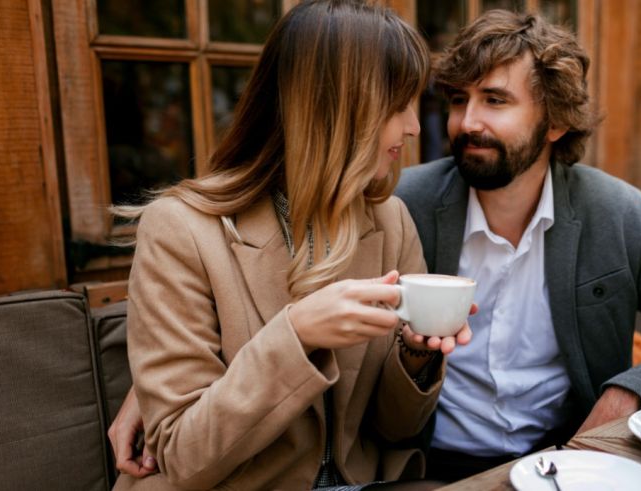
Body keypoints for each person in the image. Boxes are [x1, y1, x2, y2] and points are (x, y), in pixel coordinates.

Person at [392, 10, 641, 481]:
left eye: (494, 100)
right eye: (457, 100)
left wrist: (632, 388)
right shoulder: (402, 204)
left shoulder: (620, 215)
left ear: (554, 122)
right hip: (427, 468)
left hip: (568, 468)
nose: (467, 122)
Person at [109, 1, 472, 489]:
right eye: (398, 104)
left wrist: (415, 353)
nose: (412, 126)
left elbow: (396, 428)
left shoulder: (390, 220)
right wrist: (297, 334)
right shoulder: (180, 230)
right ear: (340, 108)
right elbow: (184, 457)